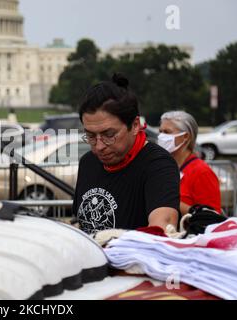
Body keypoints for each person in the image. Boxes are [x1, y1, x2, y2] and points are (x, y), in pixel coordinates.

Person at [73, 74, 180, 235]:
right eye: (91, 136)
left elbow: (161, 229)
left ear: (135, 125)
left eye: (109, 134)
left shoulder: (158, 164)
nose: (99, 146)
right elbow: (81, 222)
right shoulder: (88, 162)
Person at [158, 111, 221, 215]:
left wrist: (172, 202)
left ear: (185, 136)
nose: (161, 136)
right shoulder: (162, 167)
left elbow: (212, 217)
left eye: (167, 132)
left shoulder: (202, 172)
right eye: (160, 131)